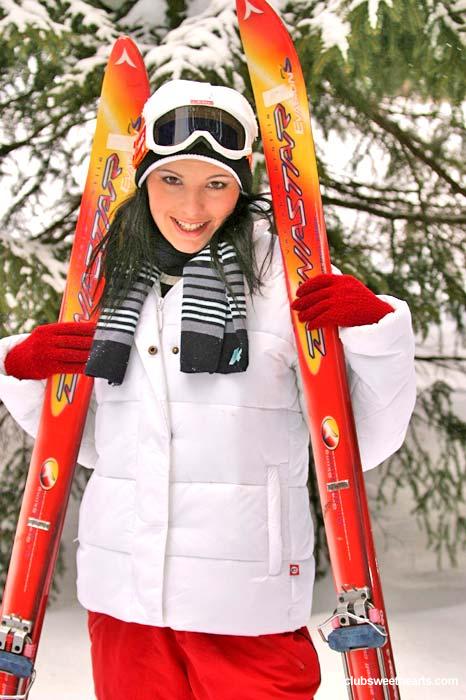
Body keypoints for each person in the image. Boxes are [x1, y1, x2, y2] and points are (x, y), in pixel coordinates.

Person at [0, 79, 417, 699]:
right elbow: (87, 447)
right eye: (172, 179)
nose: (192, 206)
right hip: (124, 600)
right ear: (144, 178)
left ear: (240, 185)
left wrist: (375, 335)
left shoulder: (287, 281)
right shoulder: (109, 285)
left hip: (245, 602)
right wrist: (23, 371)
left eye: (216, 184)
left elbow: (360, 445)